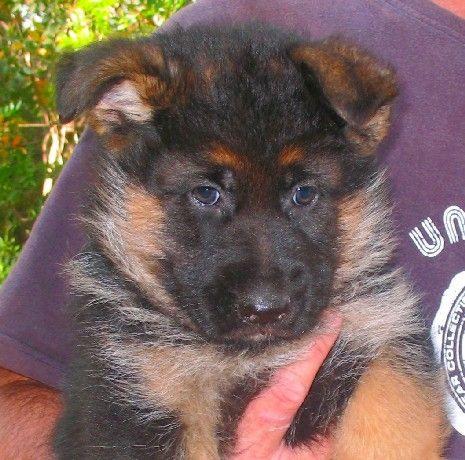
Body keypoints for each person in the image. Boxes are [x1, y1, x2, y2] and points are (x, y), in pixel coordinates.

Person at [1, 0, 464, 458]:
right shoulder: (139, 337)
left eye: (303, 196)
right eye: (206, 195)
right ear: (119, 113)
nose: (264, 292)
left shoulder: (345, 100)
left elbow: (401, 392)